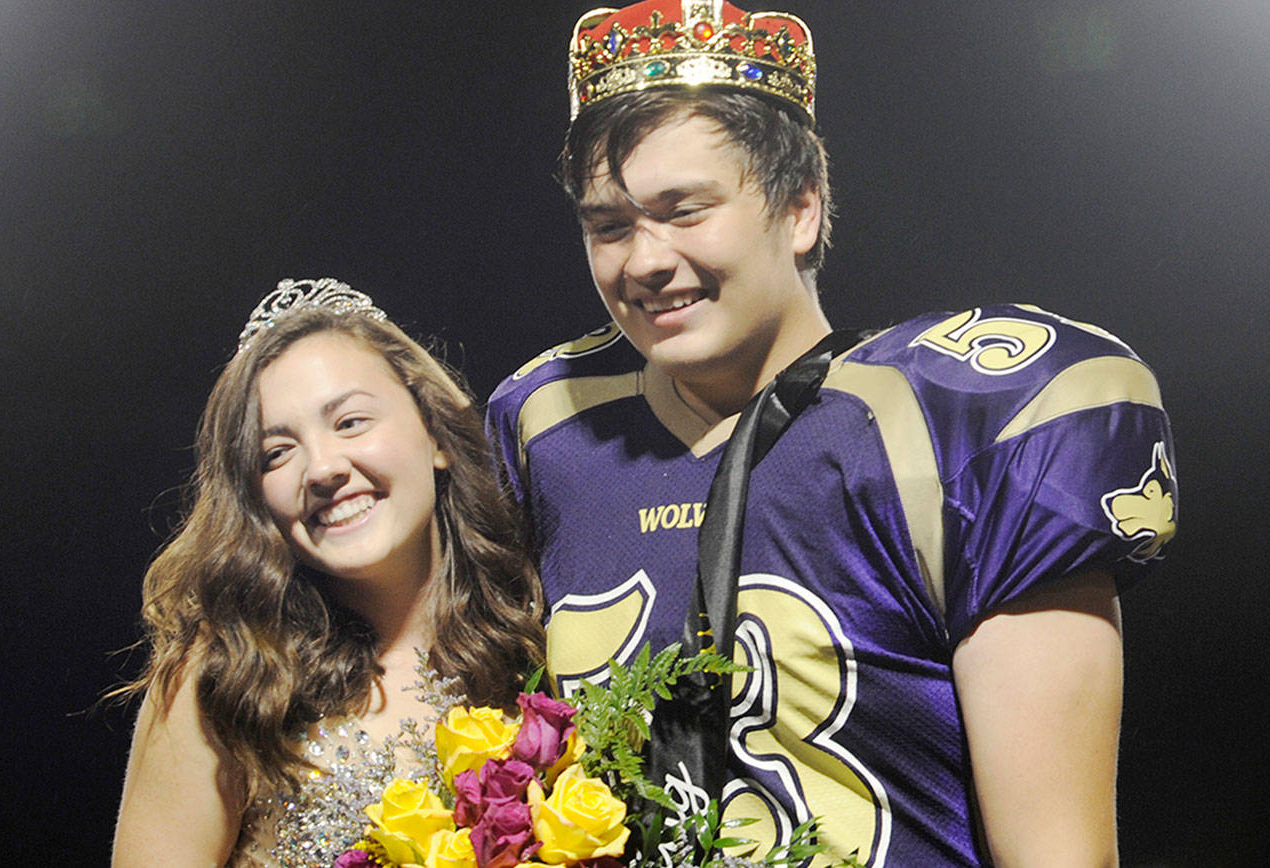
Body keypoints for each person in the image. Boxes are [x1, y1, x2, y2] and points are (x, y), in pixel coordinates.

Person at [486, 2, 1177, 865]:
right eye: (610, 225)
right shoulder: (545, 425)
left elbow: (1058, 853)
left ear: (801, 208)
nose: (644, 258)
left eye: (685, 209)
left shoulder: (957, 420)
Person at [113, 279, 545, 868]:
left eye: (350, 423)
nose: (322, 468)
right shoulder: (231, 678)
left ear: (436, 434)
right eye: (277, 453)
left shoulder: (535, 634)